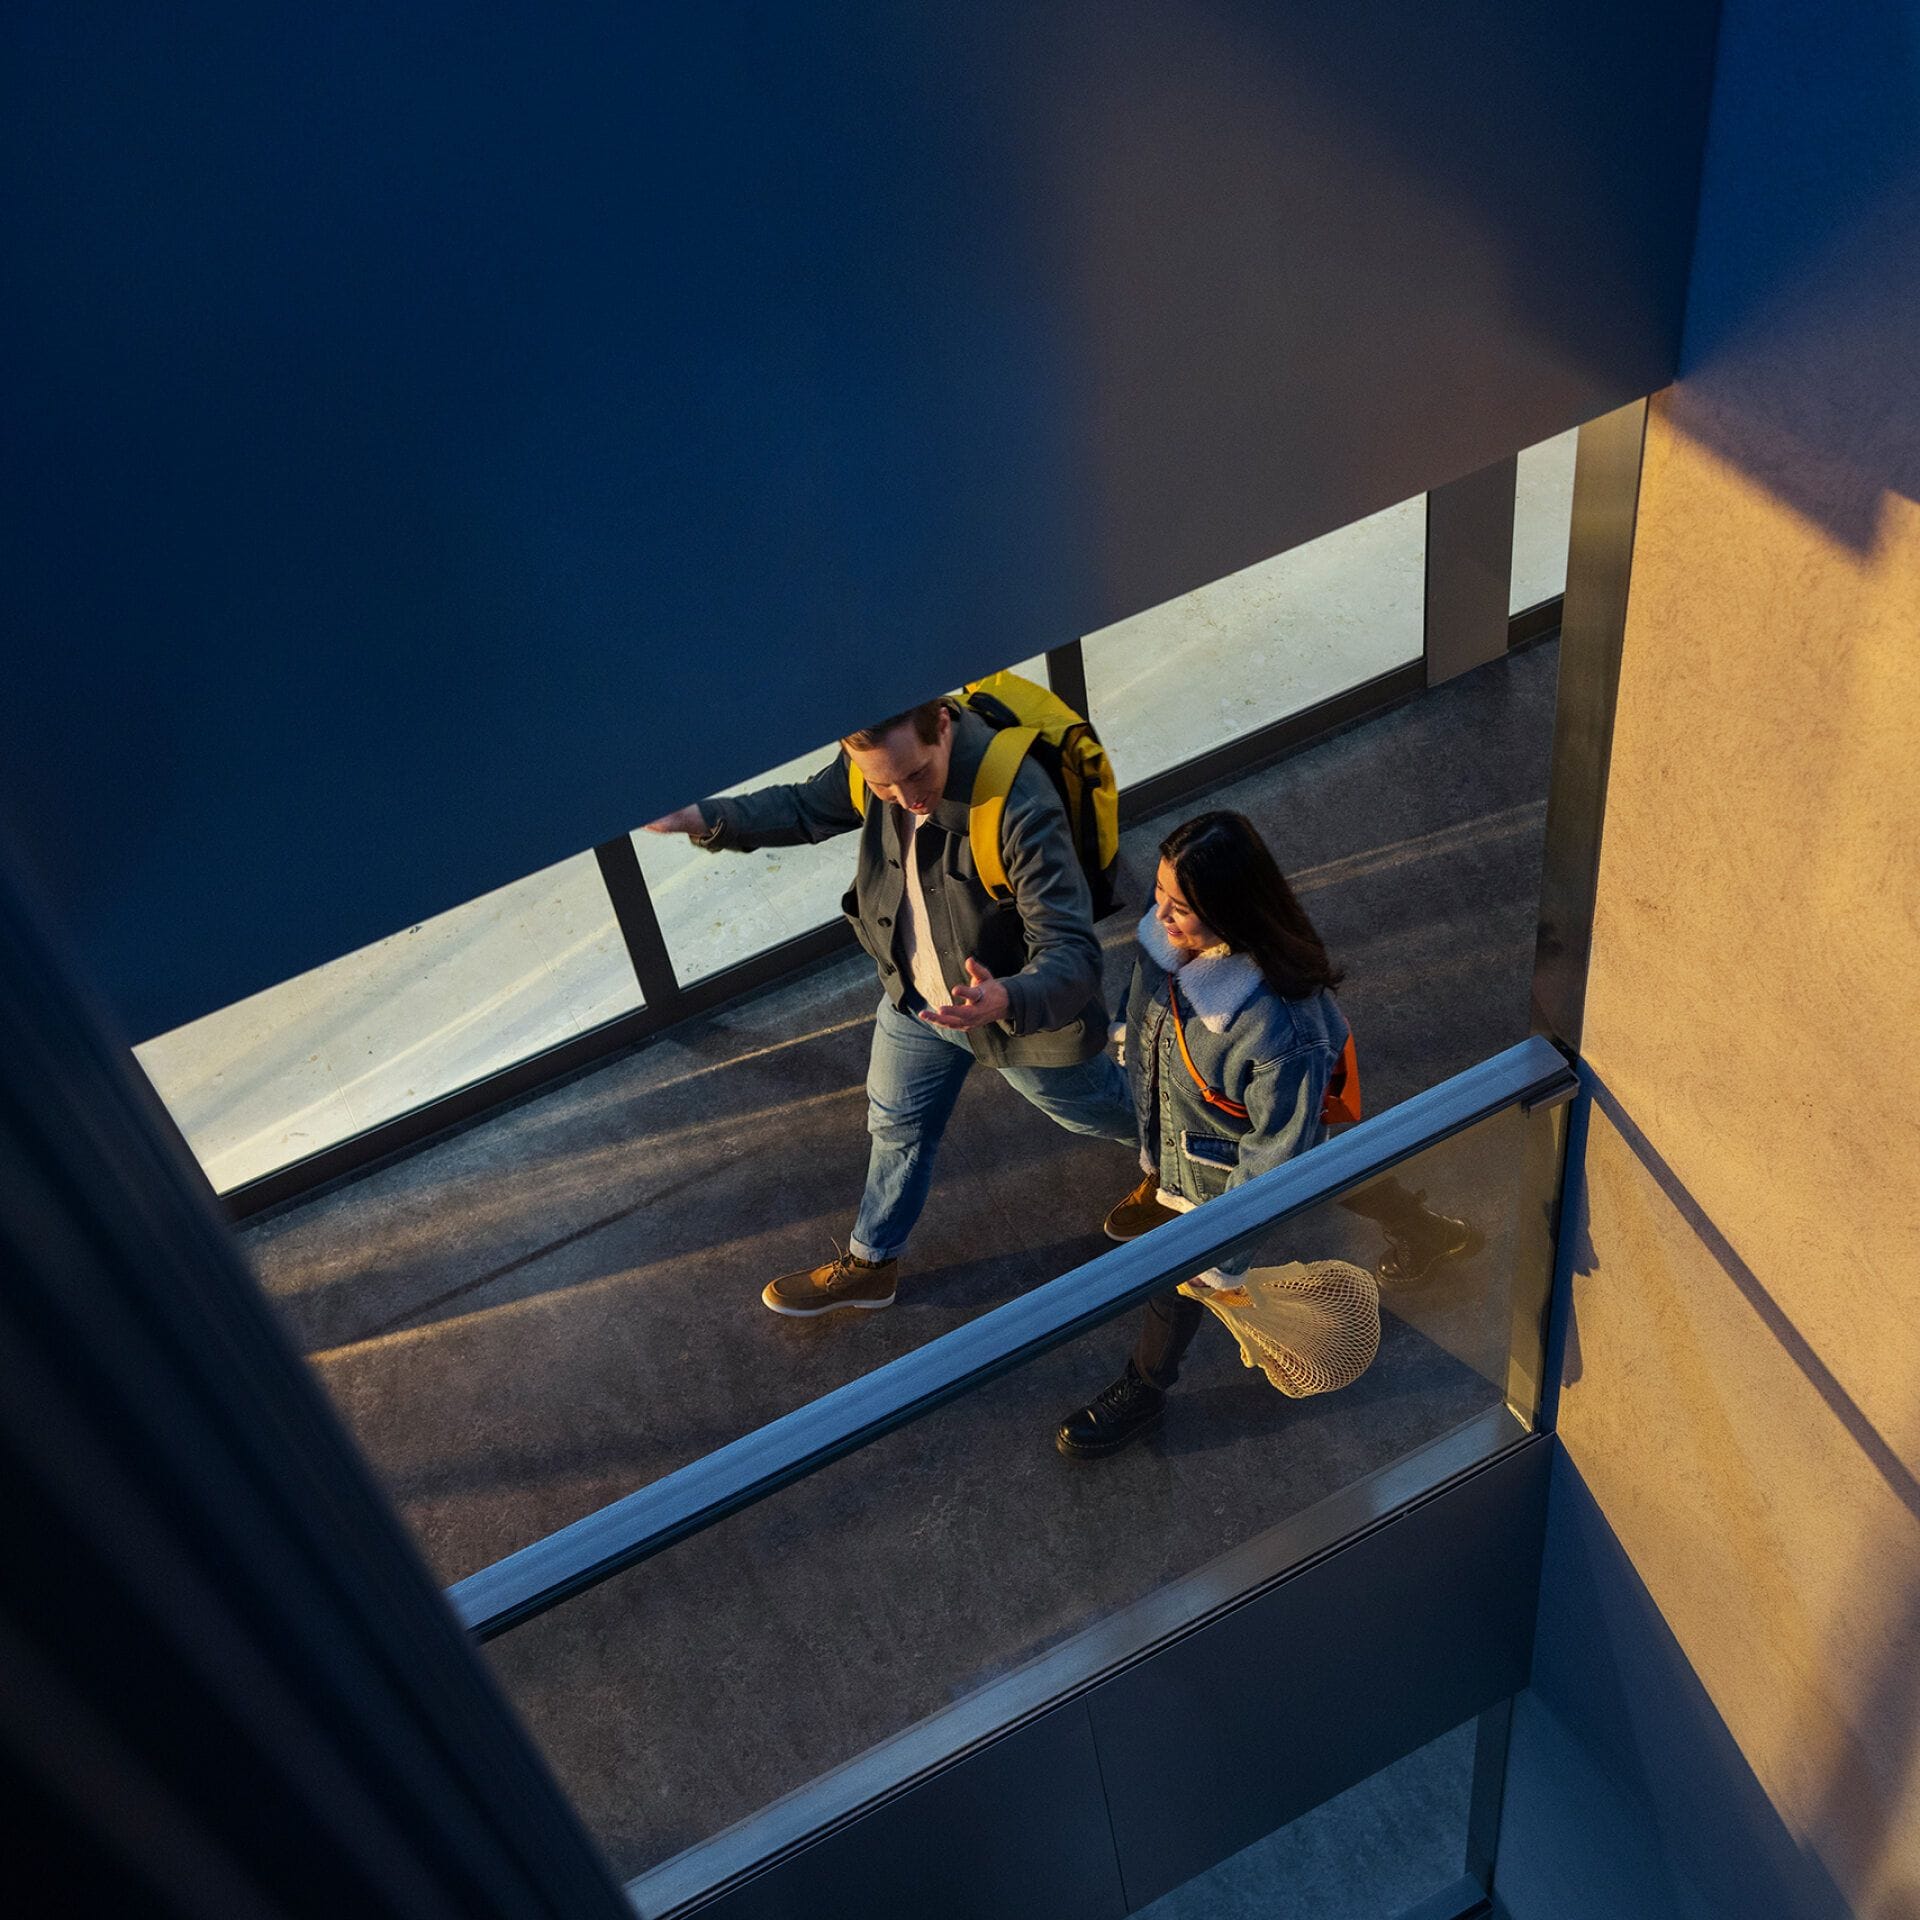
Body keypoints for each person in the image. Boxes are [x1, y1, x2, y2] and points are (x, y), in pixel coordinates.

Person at [646, 697, 1137, 1316]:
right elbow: (801, 806)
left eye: (917, 775)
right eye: (882, 784)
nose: (905, 797)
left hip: (1015, 1019)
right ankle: (872, 1262)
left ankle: (1191, 1159)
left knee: (1094, 1109)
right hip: (916, 1002)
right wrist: (702, 816)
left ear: (943, 728)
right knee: (896, 1127)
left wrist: (1005, 995)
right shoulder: (872, 761)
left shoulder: (1018, 803)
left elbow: (1073, 952)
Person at [1055, 810, 1350, 1459]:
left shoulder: (1284, 1029)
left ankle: (1143, 1390)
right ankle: (1420, 1224)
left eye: (1180, 905)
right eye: (1159, 892)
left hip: (1223, 1176)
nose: (1160, 915)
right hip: (1184, 1145)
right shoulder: (1167, 944)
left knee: (1176, 1279)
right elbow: (1143, 1010)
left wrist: (1221, 1255)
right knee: (1358, 1183)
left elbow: (1282, 1157)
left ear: (1234, 910)